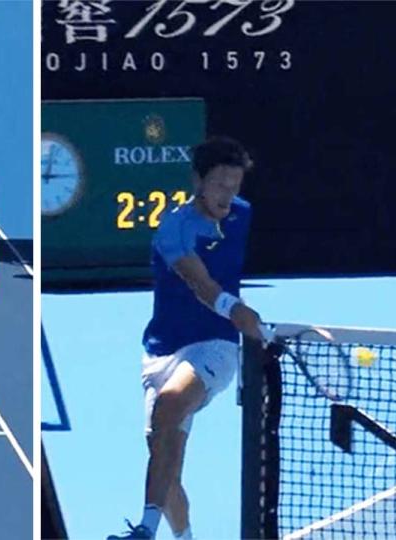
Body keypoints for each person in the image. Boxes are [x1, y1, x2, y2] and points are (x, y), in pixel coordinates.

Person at [109, 137, 272, 539]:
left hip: (214, 347)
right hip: (160, 353)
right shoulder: (173, 228)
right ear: (197, 180)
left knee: (169, 406)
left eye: (234, 185)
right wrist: (236, 309)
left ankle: (144, 531)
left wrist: (237, 320)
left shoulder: (241, 214)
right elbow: (199, 283)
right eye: (219, 184)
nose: (228, 195)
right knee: (166, 461)